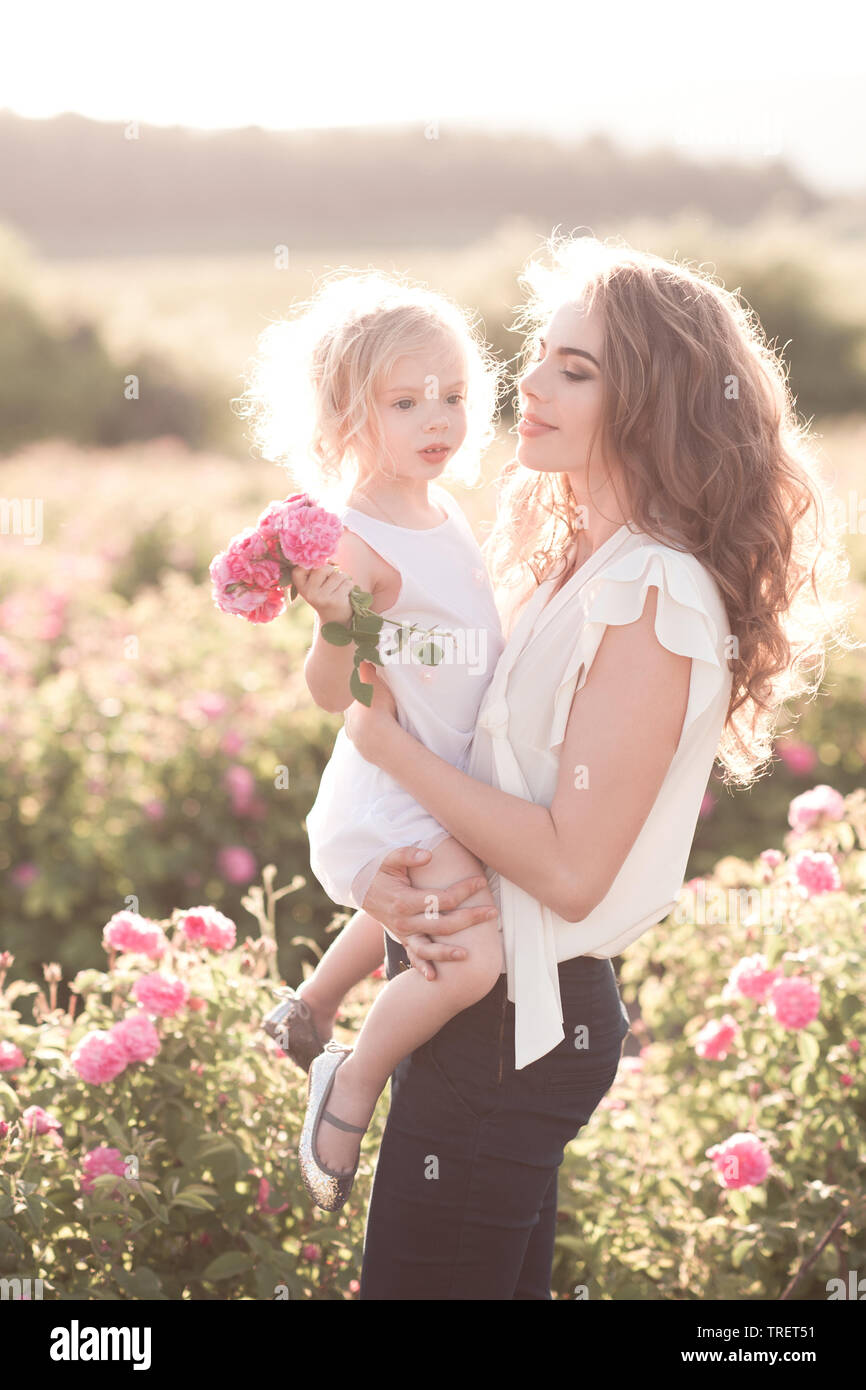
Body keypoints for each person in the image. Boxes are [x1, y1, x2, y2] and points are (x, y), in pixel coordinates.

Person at [338, 234, 854, 1299]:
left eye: (574, 369)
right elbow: (489, 794)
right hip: (478, 1003)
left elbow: (568, 871)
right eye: (538, 354)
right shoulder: (574, 563)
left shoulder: (652, 591)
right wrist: (385, 883)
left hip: (512, 1030)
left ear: (652, 403)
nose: (526, 383)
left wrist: (379, 740)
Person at [242, 268, 510, 1208]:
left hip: (437, 777)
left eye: (453, 395)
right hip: (391, 790)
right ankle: (350, 1079)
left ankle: (312, 1005)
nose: (439, 417)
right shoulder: (354, 539)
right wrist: (334, 623)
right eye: (406, 401)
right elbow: (330, 693)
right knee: (471, 956)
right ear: (346, 415)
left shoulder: (441, 512)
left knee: (426, 909)